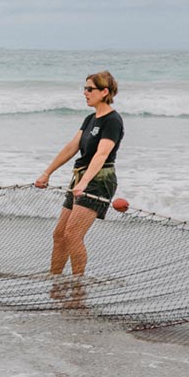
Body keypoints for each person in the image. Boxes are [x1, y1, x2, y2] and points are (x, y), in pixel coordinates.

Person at [34, 71, 123, 291]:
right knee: (59, 235)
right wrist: (47, 173)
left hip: (99, 180)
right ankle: (55, 282)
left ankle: (78, 286)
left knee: (73, 235)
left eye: (89, 89)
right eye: (84, 88)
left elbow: (102, 155)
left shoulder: (112, 120)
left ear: (105, 92)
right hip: (80, 178)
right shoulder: (90, 118)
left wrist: (84, 183)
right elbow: (71, 148)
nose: (85, 93)